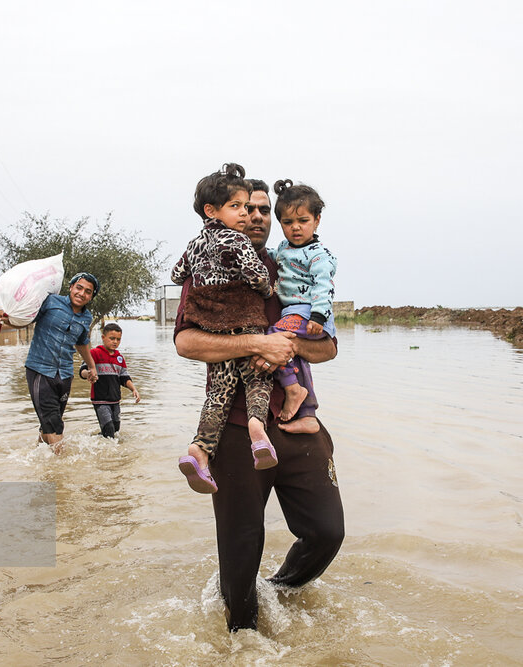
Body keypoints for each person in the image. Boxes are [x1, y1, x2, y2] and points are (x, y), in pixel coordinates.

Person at [174, 178, 345, 632]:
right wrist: (255, 342)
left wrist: (284, 343)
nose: (257, 217)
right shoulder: (211, 265)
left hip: (295, 424)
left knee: (327, 532)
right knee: (239, 548)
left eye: (265, 211)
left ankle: (281, 589)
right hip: (234, 432)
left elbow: (327, 349)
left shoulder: (295, 267)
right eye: (247, 208)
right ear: (224, 213)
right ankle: (243, 639)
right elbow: (186, 342)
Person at [171, 163, 277, 495]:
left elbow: (176, 274)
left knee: (219, 393)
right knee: (258, 379)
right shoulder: (237, 241)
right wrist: (267, 291)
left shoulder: (193, 245)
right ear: (211, 210)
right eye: (239, 207)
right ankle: (258, 430)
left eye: (253, 208)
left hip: (213, 327)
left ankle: (199, 451)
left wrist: (198, 272)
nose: (247, 215)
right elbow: (256, 275)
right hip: (245, 321)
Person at [0, 272, 99, 454]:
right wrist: (8, 320)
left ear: (91, 297)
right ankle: (63, 470)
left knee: (50, 421)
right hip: (40, 370)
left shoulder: (86, 318)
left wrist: (91, 366)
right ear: (71, 287)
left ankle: (38, 461)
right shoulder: (50, 302)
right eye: (79, 288)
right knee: (55, 424)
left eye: (88, 292)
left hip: (65, 374)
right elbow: (27, 320)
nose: (82, 294)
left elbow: (82, 343)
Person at [267, 179, 338, 434]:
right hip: (293, 312)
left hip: (310, 312)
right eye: (288, 222)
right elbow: (272, 258)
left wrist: (318, 315)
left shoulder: (318, 255)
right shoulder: (284, 248)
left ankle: (292, 389)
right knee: (297, 358)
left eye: (303, 221)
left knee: (273, 337)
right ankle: (308, 414)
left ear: (317, 220)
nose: (295, 228)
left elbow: (323, 287)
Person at [79, 322, 141, 438]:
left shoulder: (119, 358)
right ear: (103, 338)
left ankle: (93, 439)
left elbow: (124, 377)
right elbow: (82, 370)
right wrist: (88, 373)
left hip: (115, 400)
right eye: (112, 338)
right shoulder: (94, 353)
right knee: (109, 429)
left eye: (118, 339)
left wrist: (134, 389)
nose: (115, 342)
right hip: (100, 400)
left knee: (116, 430)